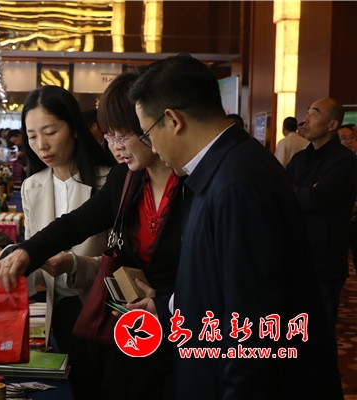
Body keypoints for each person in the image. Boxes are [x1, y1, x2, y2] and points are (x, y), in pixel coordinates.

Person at [128, 54, 341, 398]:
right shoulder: (221, 169)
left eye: (148, 133)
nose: (150, 146)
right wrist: (168, 306)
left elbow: (252, 325)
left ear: (173, 120)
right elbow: (217, 280)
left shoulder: (238, 185)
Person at [0, 72, 184, 399]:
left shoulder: (187, 184)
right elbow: (74, 224)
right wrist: (26, 252)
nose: (115, 146)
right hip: (125, 322)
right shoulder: (128, 178)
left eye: (123, 135)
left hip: (173, 327)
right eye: (110, 136)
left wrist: (166, 300)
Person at [18, 85, 116, 398]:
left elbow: (122, 261)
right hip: (57, 311)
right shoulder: (32, 186)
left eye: (50, 132)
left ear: (73, 127)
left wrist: (74, 264)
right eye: (32, 136)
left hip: (102, 310)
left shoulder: (108, 180)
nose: (41, 145)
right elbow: (33, 250)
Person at [287, 99, 357, 342]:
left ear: (332, 125)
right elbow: (282, 194)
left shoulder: (344, 161)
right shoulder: (299, 159)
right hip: (295, 256)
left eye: (314, 114)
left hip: (325, 261)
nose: (305, 119)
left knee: (320, 334)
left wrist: (297, 192)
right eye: (307, 113)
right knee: (294, 331)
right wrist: (303, 192)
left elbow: (314, 200)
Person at [339, 124, 357, 277]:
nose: (349, 141)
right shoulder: (334, 165)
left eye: (352, 137)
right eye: (344, 138)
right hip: (339, 222)